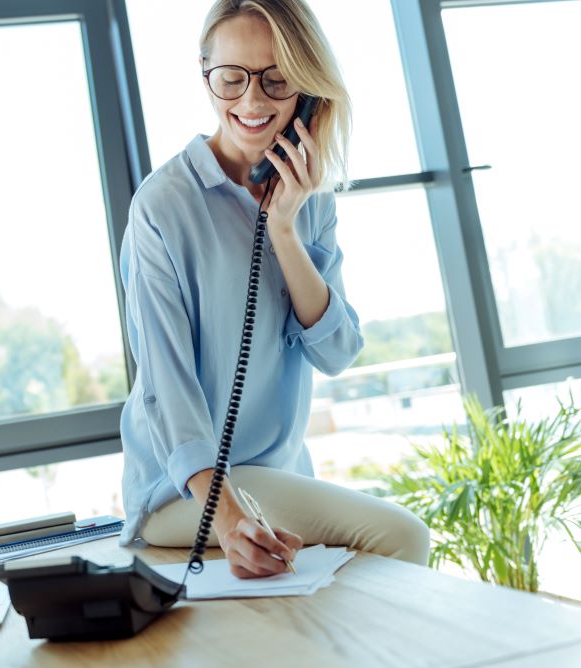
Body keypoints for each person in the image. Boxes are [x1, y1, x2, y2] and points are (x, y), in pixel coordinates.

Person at [118, 0, 430, 578]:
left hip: (278, 477)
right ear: (205, 75)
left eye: (277, 79)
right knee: (404, 537)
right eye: (231, 79)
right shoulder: (164, 205)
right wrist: (229, 516)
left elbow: (336, 351)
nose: (253, 102)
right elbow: (166, 387)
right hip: (184, 494)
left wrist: (284, 226)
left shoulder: (310, 198)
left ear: (307, 91)